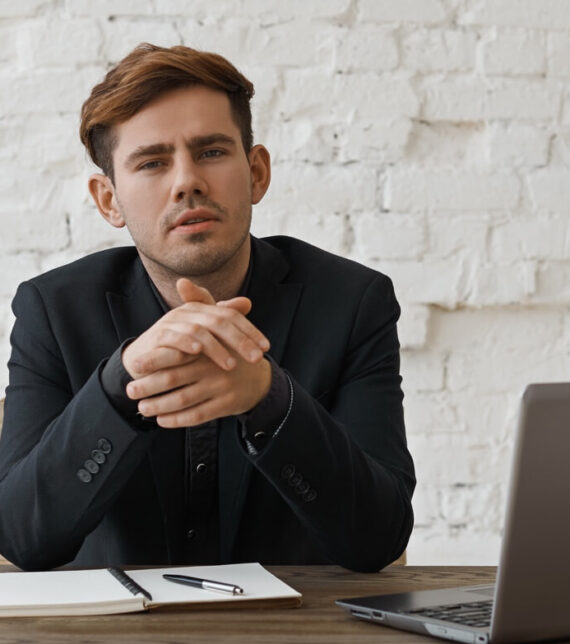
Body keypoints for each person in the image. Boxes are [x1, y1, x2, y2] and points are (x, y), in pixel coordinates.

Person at [0, 43, 415, 572]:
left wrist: (270, 399)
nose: (186, 182)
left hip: (297, 622)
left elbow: (378, 539)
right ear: (109, 200)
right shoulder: (52, 311)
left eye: (212, 152)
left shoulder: (353, 303)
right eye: (152, 163)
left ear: (257, 172)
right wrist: (122, 383)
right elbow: (22, 538)